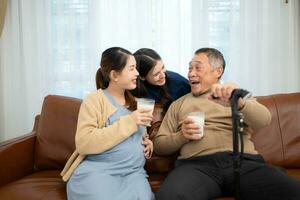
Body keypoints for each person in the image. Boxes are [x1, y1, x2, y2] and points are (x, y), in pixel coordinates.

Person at [153, 47, 300, 200]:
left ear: (218, 71)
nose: (191, 73)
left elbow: (264, 120)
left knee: (293, 191)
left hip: (242, 163)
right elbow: (159, 145)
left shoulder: (233, 95)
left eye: (198, 68)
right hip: (196, 166)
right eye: (190, 68)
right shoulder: (178, 104)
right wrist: (181, 136)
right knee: (168, 196)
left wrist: (239, 103)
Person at [61, 47, 155, 200]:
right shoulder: (94, 101)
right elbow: (84, 143)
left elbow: (137, 137)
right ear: (114, 75)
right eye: (132, 69)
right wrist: (130, 121)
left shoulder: (136, 103)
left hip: (133, 173)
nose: (137, 73)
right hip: (98, 171)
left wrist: (148, 143)